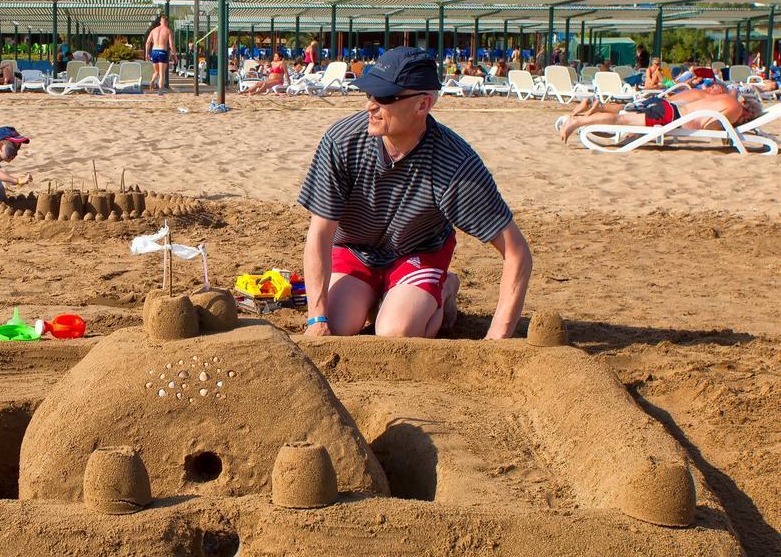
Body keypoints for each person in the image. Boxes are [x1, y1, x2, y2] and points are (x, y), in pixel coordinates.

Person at [298, 46, 531, 340]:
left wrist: (497, 339)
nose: (371, 105)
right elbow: (319, 234)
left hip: (418, 251)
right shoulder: (342, 141)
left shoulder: (454, 163)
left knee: (396, 332)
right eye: (370, 94)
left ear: (423, 105)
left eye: (385, 97)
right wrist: (316, 318)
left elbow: (517, 252)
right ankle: (383, 296)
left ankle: (444, 287)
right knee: (339, 326)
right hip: (355, 249)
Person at [558, 86, 763, 144]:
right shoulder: (735, 109)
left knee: (623, 115)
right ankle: (577, 121)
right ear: (747, 113)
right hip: (672, 116)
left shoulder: (725, 97)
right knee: (622, 119)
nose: (742, 122)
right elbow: (709, 125)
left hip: (668, 106)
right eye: (746, 120)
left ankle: (582, 118)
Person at [144, 14, 174, 91]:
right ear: (167, 22)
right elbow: (171, 44)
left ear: (160, 21)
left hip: (154, 52)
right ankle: (160, 90)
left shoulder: (153, 30)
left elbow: (147, 43)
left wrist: (146, 54)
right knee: (161, 73)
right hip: (162, 51)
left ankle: (152, 81)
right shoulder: (168, 30)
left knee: (156, 71)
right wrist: (174, 54)